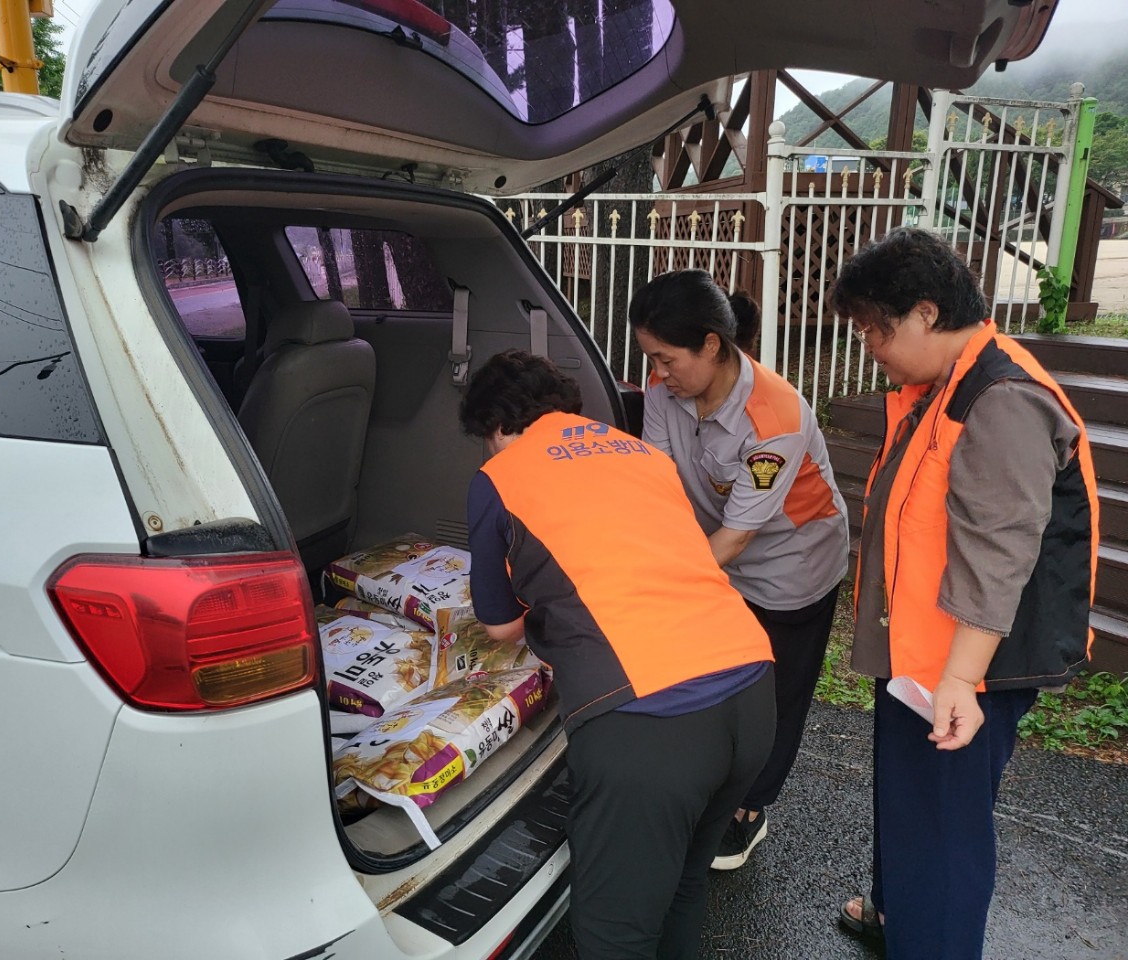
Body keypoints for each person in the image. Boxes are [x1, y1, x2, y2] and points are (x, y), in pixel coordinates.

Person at [827, 227, 1099, 960]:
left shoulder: (1000, 397)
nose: (869, 346)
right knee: (913, 804)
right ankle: (897, 914)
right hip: (927, 653)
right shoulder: (948, 383)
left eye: (874, 329)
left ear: (925, 312)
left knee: (942, 829)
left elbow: (999, 548)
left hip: (967, 665)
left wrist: (958, 678)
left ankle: (932, 940)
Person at [460, 349, 776, 960]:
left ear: (496, 426)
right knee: (683, 884)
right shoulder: (641, 454)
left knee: (614, 934)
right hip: (749, 687)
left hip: (651, 723)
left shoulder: (500, 476)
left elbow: (499, 625)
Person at [629, 271, 850, 870]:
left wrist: (657, 586)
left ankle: (750, 810)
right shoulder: (664, 391)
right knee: (716, 674)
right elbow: (660, 484)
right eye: (651, 359)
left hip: (792, 565)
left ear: (711, 344)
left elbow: (737, 535)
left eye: (666, 358)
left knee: (776, 693)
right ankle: (712, 781)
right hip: (717, 553)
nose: (658, 373)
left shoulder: (775, 419)